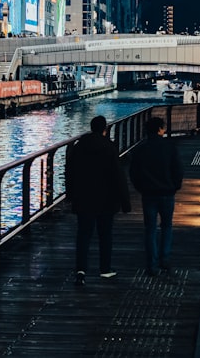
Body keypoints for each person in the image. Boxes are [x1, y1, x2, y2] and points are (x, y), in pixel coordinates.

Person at [65, 115, 132, 286]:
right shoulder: (109, 147)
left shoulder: (78, 147)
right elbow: (118, 176)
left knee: (83, 235)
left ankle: (81, 270)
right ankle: (105, 268)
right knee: (105, 234)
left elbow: (70, 173)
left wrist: (70, 195)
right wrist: (125, 201)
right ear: (105, 130)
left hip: (83, 198)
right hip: (106, 199)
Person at [129, 116, 183, 276]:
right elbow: (178, 169)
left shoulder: (140, 149)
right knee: (167, 226)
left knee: (150, 229)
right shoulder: (170, 146)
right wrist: (175, 186)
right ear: (160, 129)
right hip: (167, 192)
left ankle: (151, 264)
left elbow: (133, 173)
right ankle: (164, 258)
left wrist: (140, 188)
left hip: (148, 193)